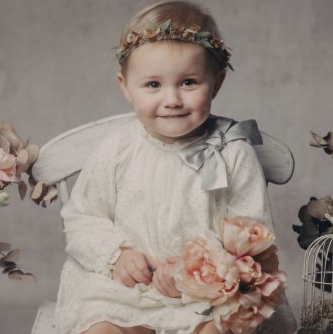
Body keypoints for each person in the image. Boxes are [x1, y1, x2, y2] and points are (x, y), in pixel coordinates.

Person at [55, 1, 296, 333]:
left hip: (206, 295)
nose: (171, 99)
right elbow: (82, 216)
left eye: (188, 82)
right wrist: (117, 255)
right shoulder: (118, 149)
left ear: (217, 81)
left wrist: (194, 271)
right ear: (125, 86)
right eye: (153, 85)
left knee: (220, 328)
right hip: (126, 290)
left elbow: (253, 238)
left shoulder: (232, 152)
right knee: (103, 329)